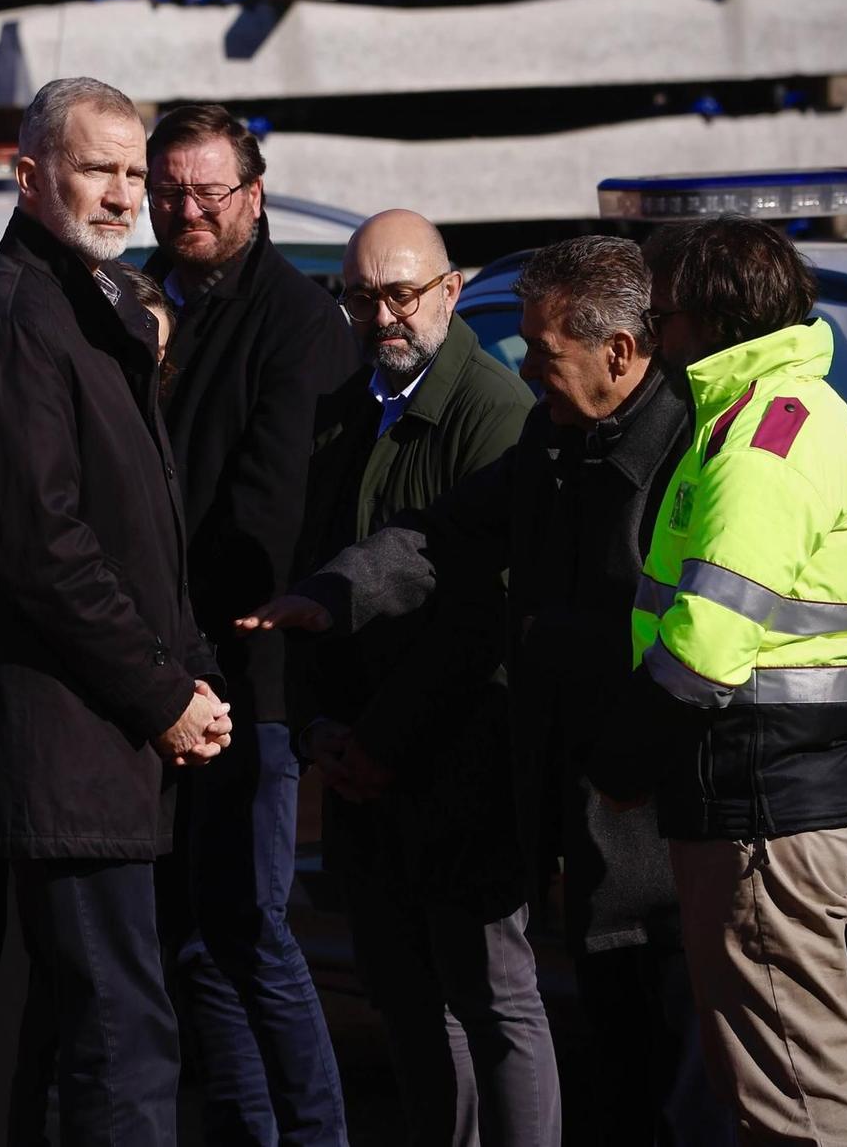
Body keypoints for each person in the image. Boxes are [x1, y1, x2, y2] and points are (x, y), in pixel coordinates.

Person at [244, 236, 733, 1145]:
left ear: (620, 353)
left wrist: (548, 641)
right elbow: (443, 537)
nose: (530, 369)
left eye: (544, 353)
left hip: (664, 818)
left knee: (679, 1077)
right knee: (619, 1069)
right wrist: (334, 593)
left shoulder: (694, 451)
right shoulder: (556, 435)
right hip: (582, 810)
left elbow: (684, 634)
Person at [0, 76, 230, 1145]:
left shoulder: (87, 305)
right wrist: (157, 694)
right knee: (118, 1036)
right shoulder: (13, 317)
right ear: (29, 176)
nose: (123, 194)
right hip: (61, 740)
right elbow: (39, 547)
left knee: (99, 1028)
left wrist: (185, 672)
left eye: (133, 173)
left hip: (99, 735)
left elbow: (140, 530)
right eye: (98, 169)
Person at [587, 216, 847, 1147]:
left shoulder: (766, 440)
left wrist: (622, 758)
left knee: (794, 1087)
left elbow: (705, 648)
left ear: (714, 322)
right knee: (777, 1071)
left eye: (665, 313)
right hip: (775, 789)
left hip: (764, 795)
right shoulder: (786, 410)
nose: (655, 333)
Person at [289, 208, 556, 1147]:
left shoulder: (494, 410)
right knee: (403, 999)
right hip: (367, 775)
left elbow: (482, 612)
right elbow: (319, 578)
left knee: (493, 997)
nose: (382, 315)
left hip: (459, 764)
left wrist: (382, 742)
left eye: (401, 293)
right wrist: (320, 723)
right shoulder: (350, 406)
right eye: (360, 297)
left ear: (451, 288)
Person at [142, 104, 356, 1146]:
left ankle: (313, 1136)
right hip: (148, 674)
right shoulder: (133, 302)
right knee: (188, 937)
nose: (186, 208)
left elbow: (261, 521)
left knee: (251, 929)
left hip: (248, 676)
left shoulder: (295, 322)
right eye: (168, 188)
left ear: (253, 196)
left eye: (207, 190)